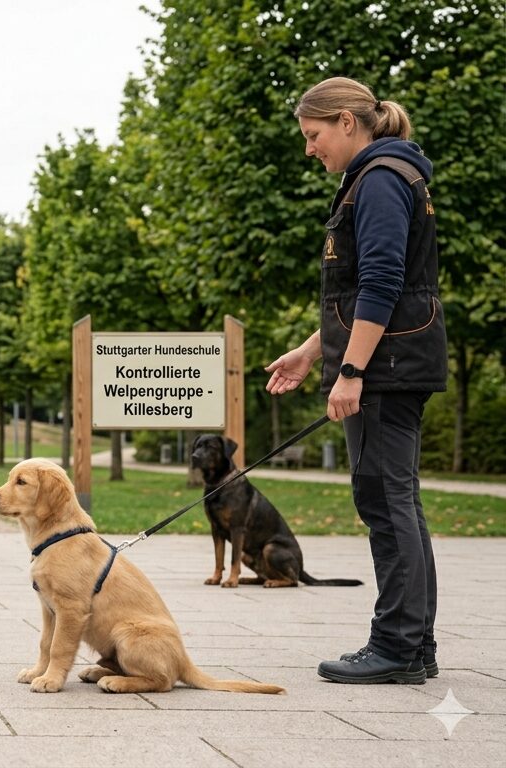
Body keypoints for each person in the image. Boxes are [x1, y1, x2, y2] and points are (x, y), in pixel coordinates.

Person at [265, 77, 446, 685]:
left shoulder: (380, 179)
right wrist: (310, 352)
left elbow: (382, 283)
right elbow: (363, 294)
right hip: (393, 363)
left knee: (386, 503)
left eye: (313, 134)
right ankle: (414, 644)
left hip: (385, 369)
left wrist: (351, 371)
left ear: (347, 121)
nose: (309, 148)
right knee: (397, 501)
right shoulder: (384, 175)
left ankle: (396, 646)